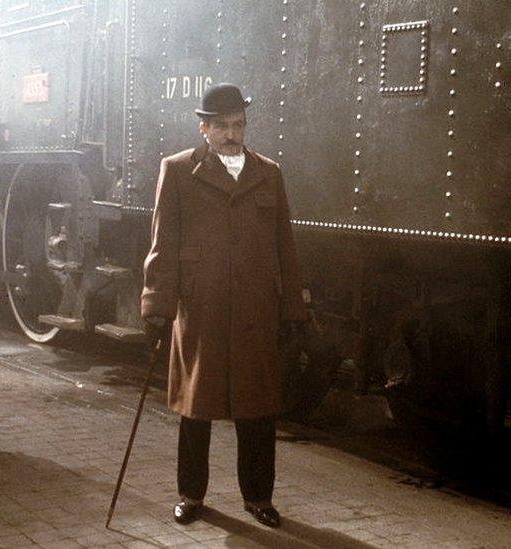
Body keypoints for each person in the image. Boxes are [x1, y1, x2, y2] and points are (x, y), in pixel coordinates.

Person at [140, 83, 306, 528]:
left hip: (255, 309)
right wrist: (157, 305)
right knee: (196, 408)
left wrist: (292, 309)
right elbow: (164, 242)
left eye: (238, 126)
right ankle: (191, 495)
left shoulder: (268, 172)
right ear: (205, 128)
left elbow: (284, 247)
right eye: (222, 127)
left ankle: (258, 499)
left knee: (258, 409)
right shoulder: (177, 170)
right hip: (202, 306)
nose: (232, 135)